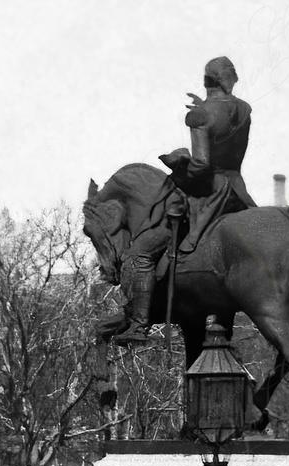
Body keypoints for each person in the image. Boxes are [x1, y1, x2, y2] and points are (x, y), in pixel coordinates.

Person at [113, 56, 256, 345]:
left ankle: (138, 326)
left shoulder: (199, 116)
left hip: (207, 196)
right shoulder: (244, 109)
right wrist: (204, 107)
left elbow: (202, 164)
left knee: (139, 252)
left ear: (207, 81)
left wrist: (180, 167)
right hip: (237, 192)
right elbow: (223, 126)